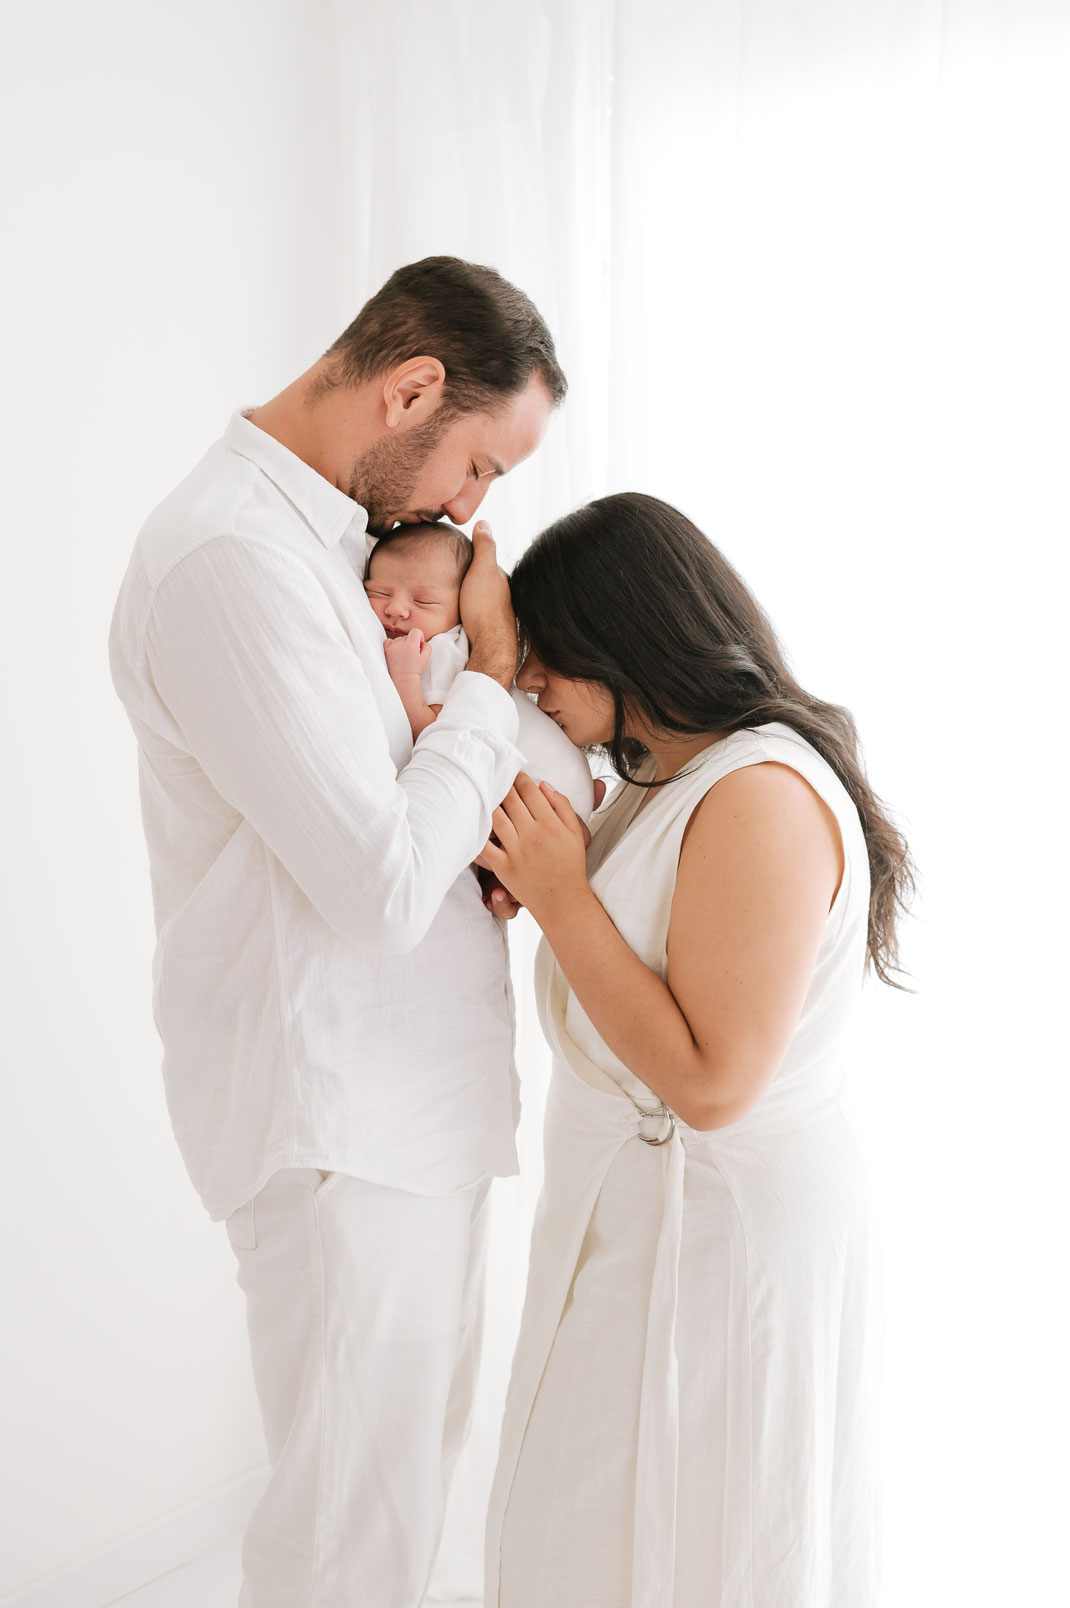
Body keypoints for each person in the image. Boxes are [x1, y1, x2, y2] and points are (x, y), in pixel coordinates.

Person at [108, 256, 566, 1608]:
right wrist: (484, 674)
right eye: (476, 467)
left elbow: (401, 833)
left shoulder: (329, 550)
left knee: (396, 1519)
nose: (471, 516)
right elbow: (373, 887)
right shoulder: (231, 558)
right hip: (336, 1124)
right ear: (409, 389)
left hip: (403, 1114)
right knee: (346, 1555)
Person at [478, 493, 913, 1608]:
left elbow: (713, 1082)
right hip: (653, 1216)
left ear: (621, 640)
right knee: (601, 1522)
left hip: (726, 1229)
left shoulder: (756, 794)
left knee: (708, 1526)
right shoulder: (664, 778)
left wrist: (563, 899)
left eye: (544, 665)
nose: (533, 693)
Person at [364, 524, 595, 816]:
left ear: (461, 605)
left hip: (544, 793)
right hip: (566, 785)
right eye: (378, 592)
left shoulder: (444, 649)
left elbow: (434, 733)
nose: (396, 608)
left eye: (422, 601)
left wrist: (405, 676)